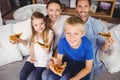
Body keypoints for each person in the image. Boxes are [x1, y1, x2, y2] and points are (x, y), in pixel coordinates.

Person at [75, 0, 114, 80]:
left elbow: (104, 48)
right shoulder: (71, 22)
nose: (83, 10)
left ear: (90, 7)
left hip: (90, 62)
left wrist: (107, 44)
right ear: (76, 8)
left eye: (85, 6)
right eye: (80, 6)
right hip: (73, 60)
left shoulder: (97, 24)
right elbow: (62, 41)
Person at [19, 12, 54, 80]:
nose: (39, 27)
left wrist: (45, 48)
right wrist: (32, 56)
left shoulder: (49, 33)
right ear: (33, 26)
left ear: (45, 23)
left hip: (44, 59)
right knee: (22, 73)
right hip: (34, 57)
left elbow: (47, 51)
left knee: (35, 77)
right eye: (36, 25)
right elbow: (32, 47)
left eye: (41, 23)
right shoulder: (34, 34)